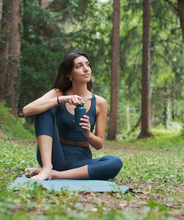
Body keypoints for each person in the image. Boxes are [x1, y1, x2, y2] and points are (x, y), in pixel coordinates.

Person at [23, 52, 123, 181]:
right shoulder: (58, 93)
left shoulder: (99, 102)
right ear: (69, 74)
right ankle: (47, 168)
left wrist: (88, 134)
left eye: (87, 64)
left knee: (115, 162)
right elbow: (27, 110)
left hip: (80, 162)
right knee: (44, 107)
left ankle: (54, 174)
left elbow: (99, 145)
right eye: (79, 66)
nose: (86, 69)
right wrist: (61, 99)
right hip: (55, 155)